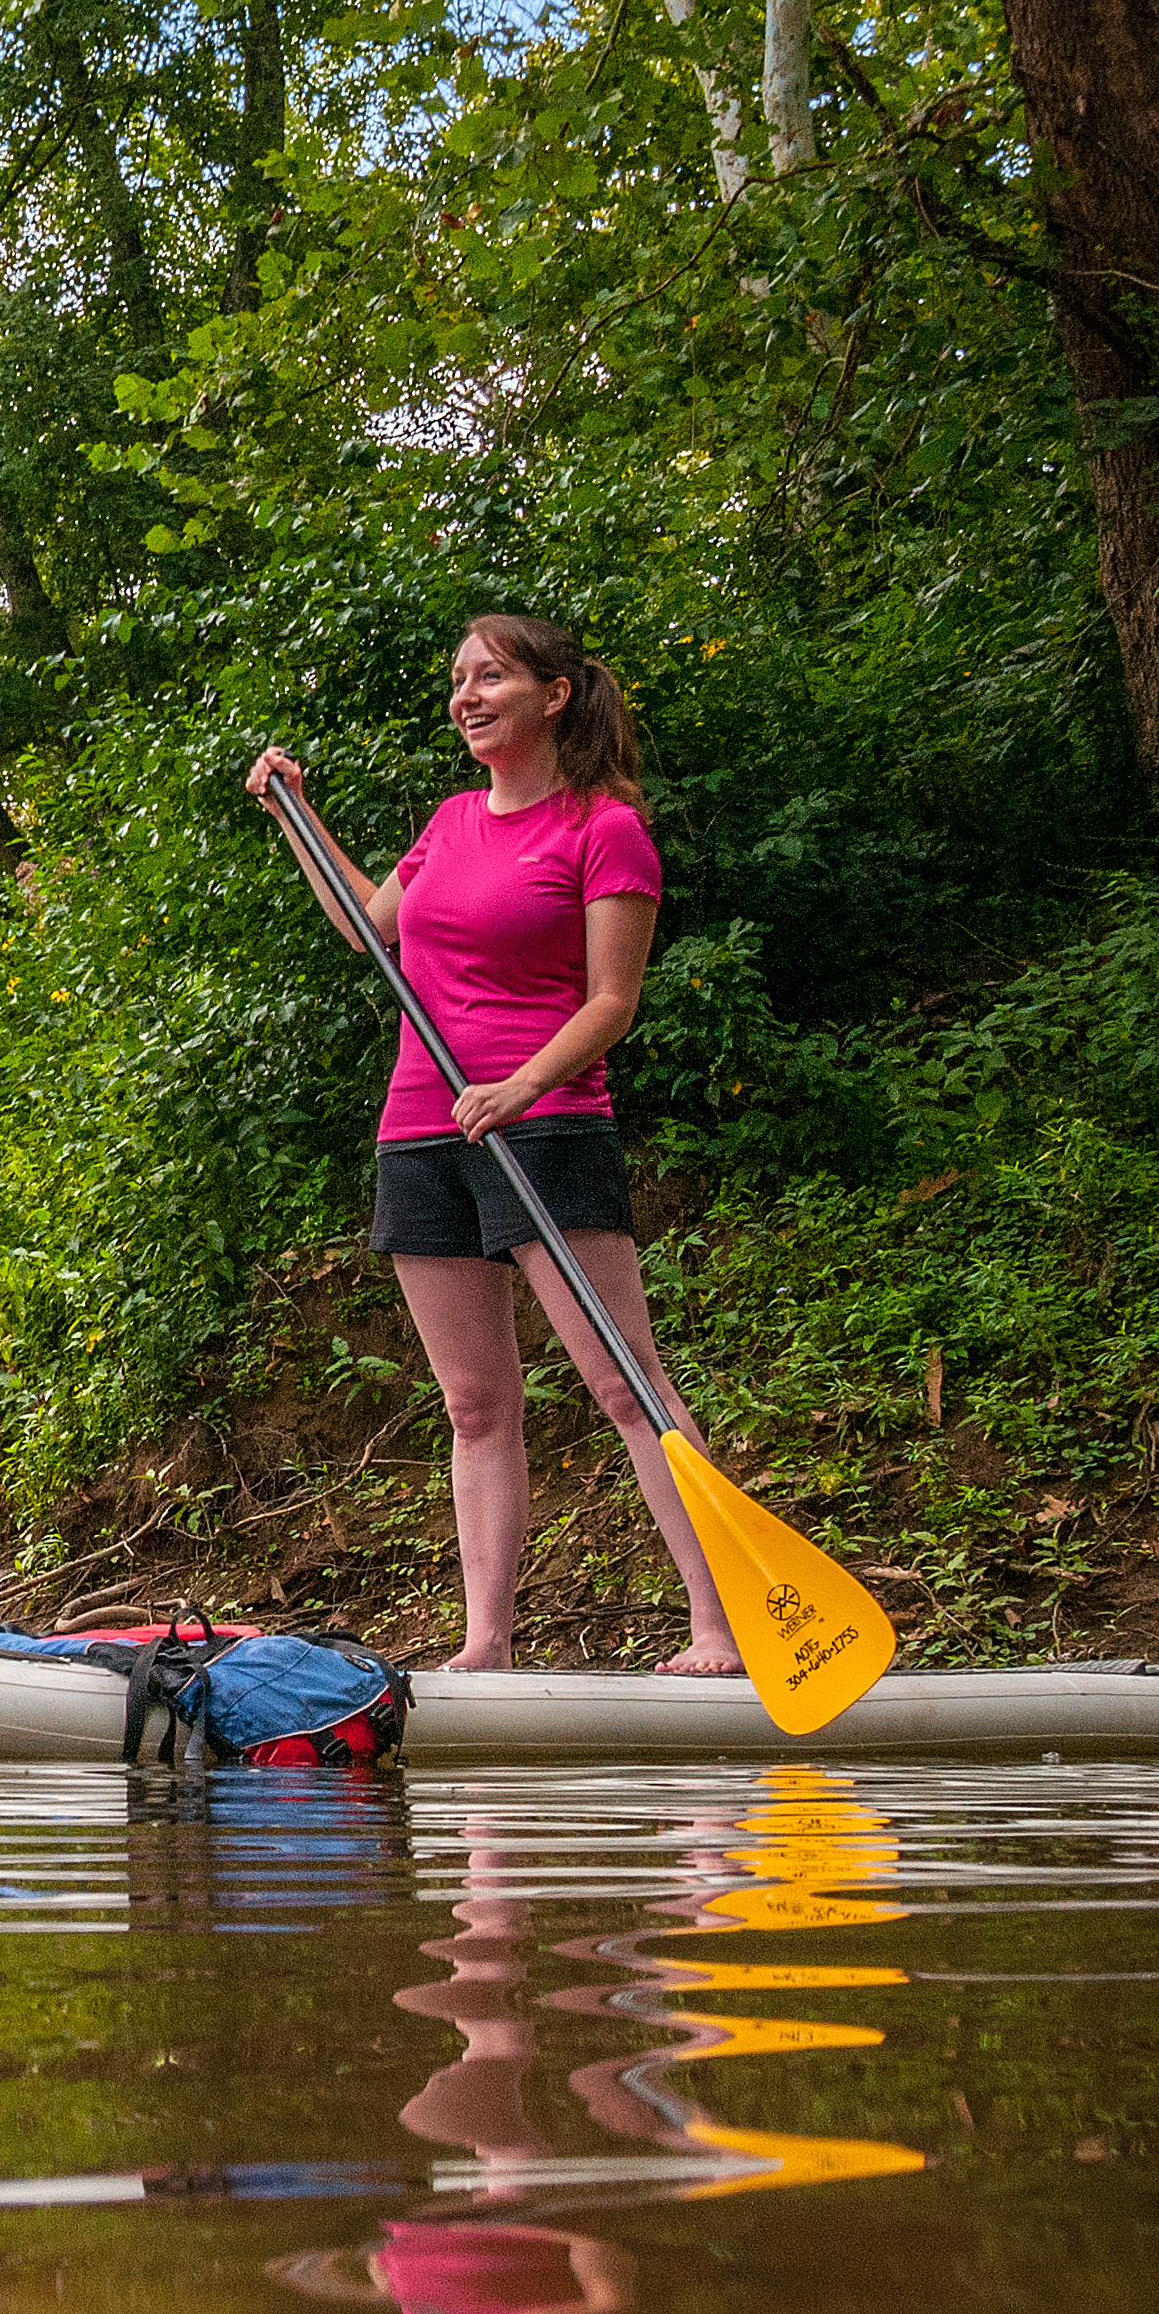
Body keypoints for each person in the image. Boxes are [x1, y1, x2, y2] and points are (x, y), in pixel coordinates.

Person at [244, 615, 741, 1676]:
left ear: (554, 694)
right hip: (421, 1129)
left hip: (546, 1126)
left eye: (491, 678)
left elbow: (612, 1002)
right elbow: (375, 924)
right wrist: (295, 815)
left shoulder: (604, 828)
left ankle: (722, 1626)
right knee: (476, 1403)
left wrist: (520, 1086)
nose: (467, 696)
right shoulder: (452, 820)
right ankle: (487, 1643)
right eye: (459, 681)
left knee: (623, 1384)